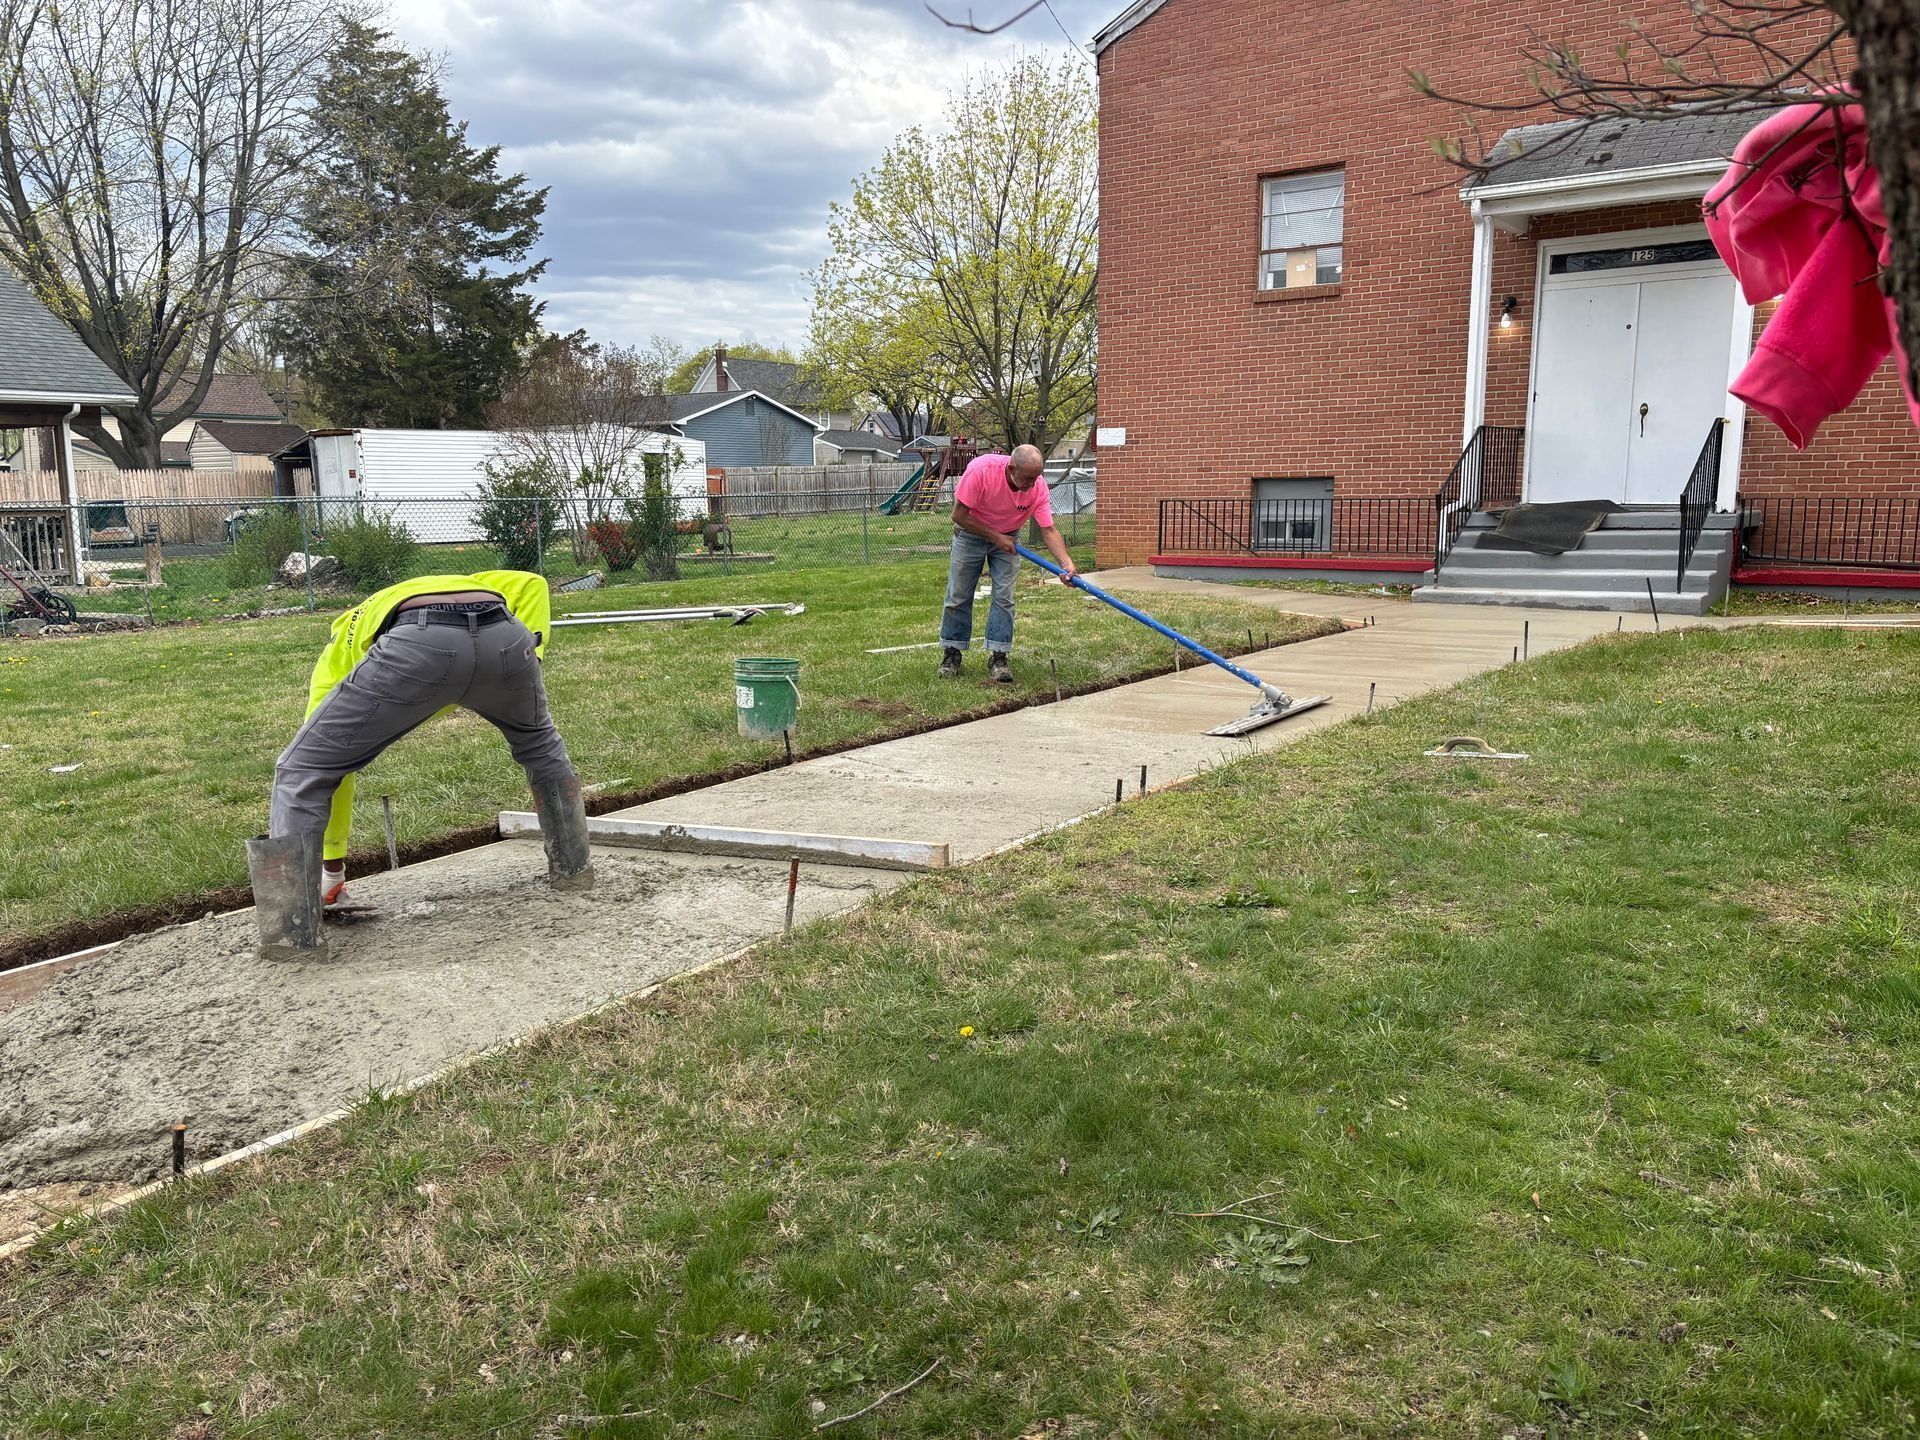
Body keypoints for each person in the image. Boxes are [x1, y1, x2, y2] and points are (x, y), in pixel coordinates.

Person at [245, 570, 594, 959]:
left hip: (419, 642)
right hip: (508, 638)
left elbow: (327, 772)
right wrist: (531, 658)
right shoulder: (471, 580)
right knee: (540, 745)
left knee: (301, 769)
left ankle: (293, 938)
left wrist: (333, 871)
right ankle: (574, 871)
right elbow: (534, 583)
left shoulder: (341, 644)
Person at [938, 443, 1077, 682]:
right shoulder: (981, 471)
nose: (1032, 484)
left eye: (1037, 478)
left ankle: (999, 657)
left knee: (1004, 597)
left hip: (1009, 536)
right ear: (1011, 468)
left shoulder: (1038, 487)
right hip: (970, 531)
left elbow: (1049, 530)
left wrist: (1066, 563)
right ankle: (952, 653)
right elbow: (958, 515)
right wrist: (994, 536)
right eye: (1028, 478)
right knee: (959, 594)